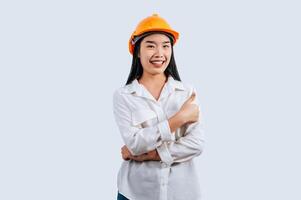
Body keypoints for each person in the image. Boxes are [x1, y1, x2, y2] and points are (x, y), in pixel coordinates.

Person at [113, 13, 205, 200]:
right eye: (150, 46)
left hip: (181, 192)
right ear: (137, 51)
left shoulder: (187, 93)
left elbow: (196, 144)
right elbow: (135, 145)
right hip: (135, 193)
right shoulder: (124, 96)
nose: (159, 53)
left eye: (165, 46)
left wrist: (152, 155)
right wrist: (179, 119)